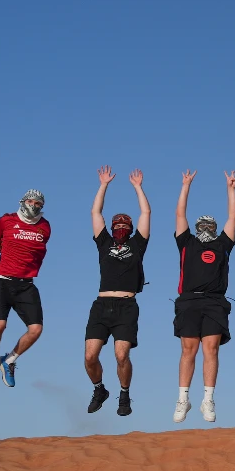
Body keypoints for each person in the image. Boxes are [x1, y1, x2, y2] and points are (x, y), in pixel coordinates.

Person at [172, 170, 235, 423]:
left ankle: (208, 400)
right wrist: (185, 185)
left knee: (211, 349)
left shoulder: (223, 244)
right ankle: (183, 399)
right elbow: (180, 214)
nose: (206, 229)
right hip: (189, 300)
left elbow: (233, 216)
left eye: (210, 226)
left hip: (215, 302)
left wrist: (230, 189)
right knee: (189, 349)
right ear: (197, 228)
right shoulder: (187, 242)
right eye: (202, 226)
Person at [85, 166, 150, 416]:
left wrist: (137, 187)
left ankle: (124, 395)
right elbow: (95, 212)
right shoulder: (104, 243)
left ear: (131, 228)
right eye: (117, 223)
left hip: (126, 306)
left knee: (121, 355)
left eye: (125, 223)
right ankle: (99, 389)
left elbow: (146, 212)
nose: (121, 226)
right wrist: (104, 185)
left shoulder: (138, 245)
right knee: (90, 356)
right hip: (101, 306)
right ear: (112, 228)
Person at [0, 189, 51, 388]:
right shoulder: (6, 220)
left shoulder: (45, 227)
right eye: (30, 201)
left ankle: (9, 360)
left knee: (36, 329)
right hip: (1, 281)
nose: (33, 205)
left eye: (38, 204)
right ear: (22, 201)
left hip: (26, 285)